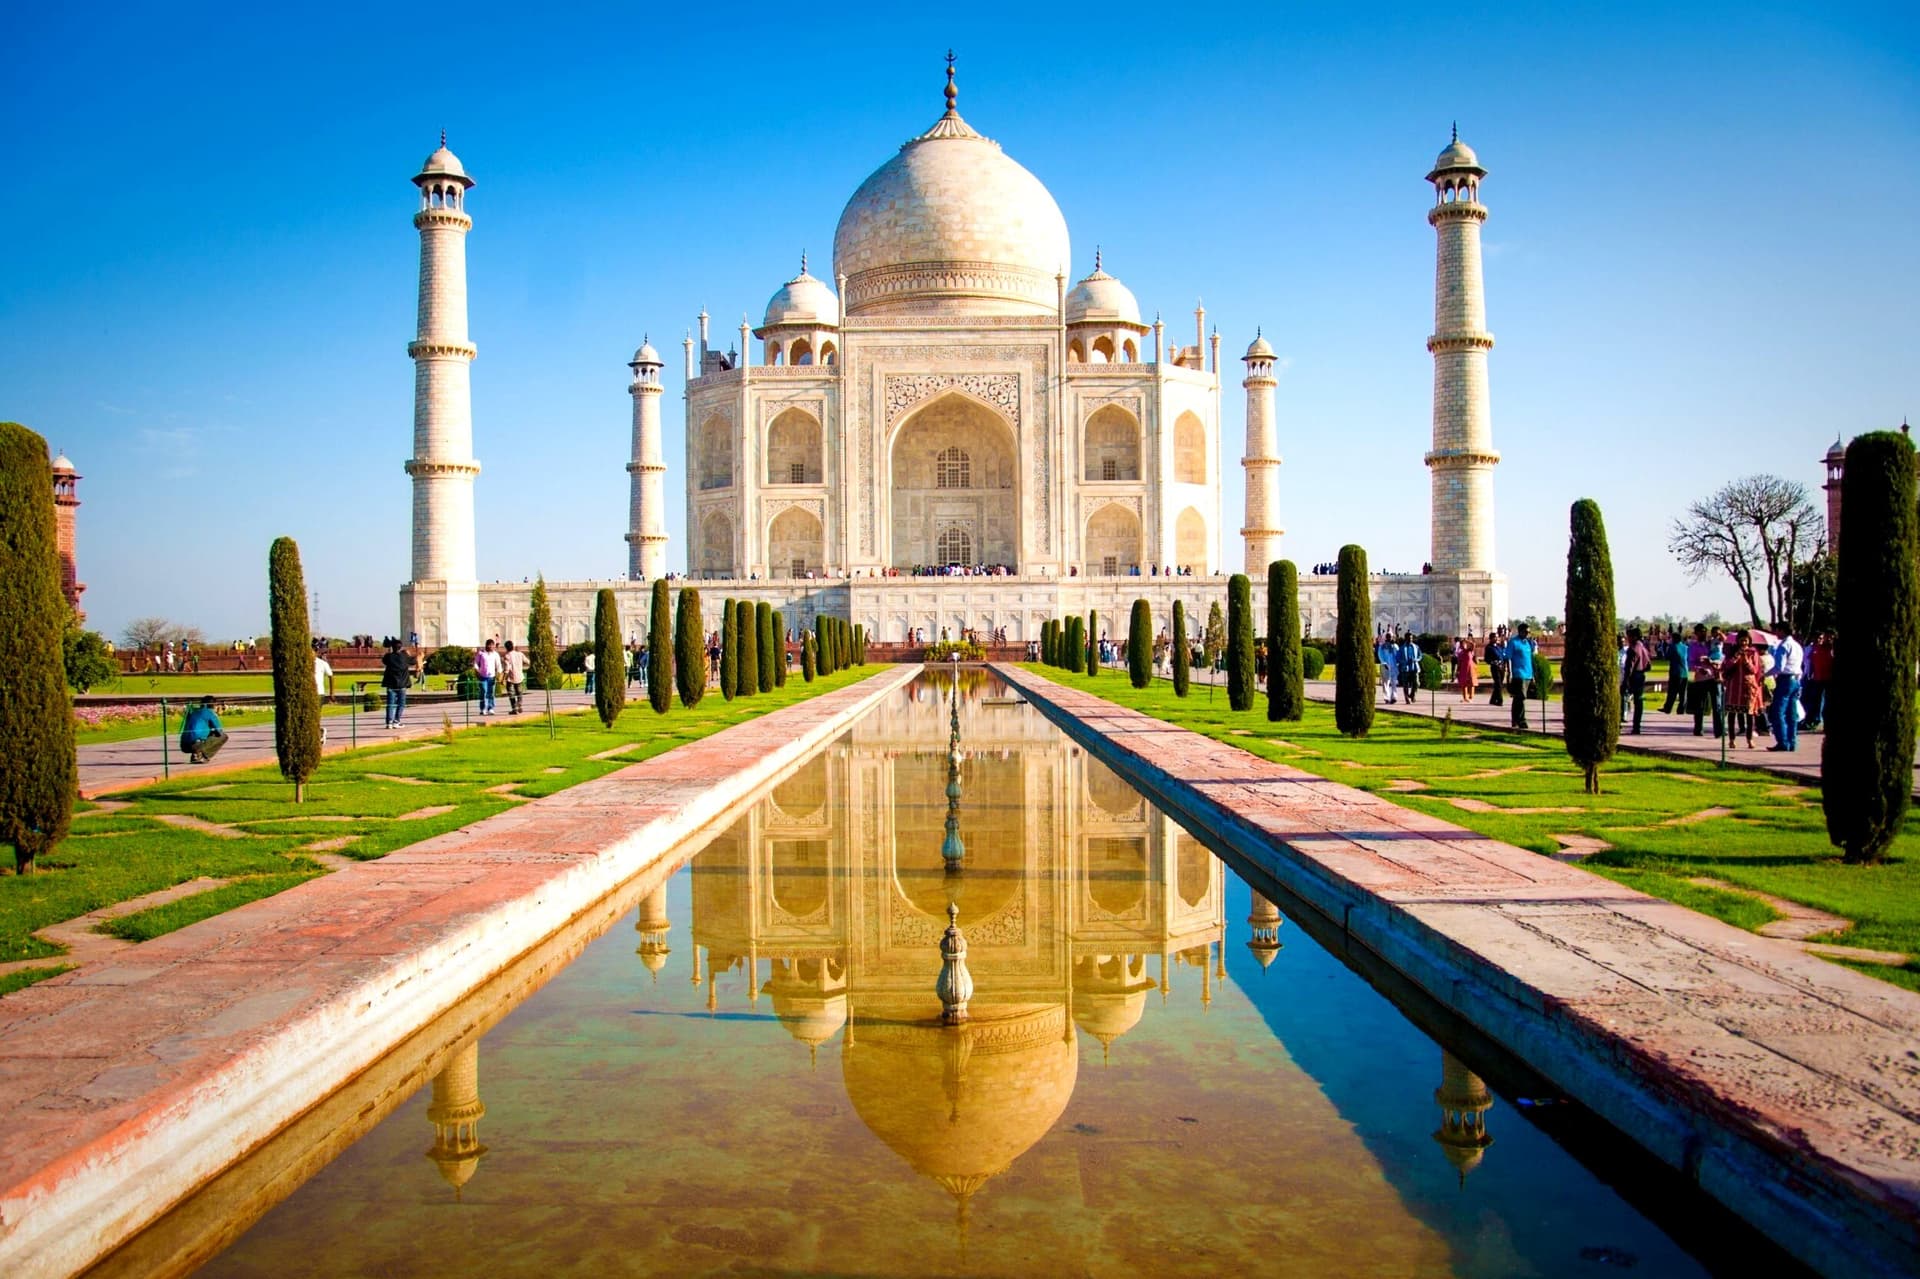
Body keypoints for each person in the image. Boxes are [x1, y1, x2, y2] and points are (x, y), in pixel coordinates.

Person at [1720, 633, 1767, 748]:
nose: (1744, 643)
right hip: (1734, 686)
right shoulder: (1732, 652)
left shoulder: (1753, 653)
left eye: (1746, 641)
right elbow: (1727, 666)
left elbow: (1755, 670)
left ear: (1749, 641)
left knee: (1749, 714)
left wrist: (1746, 660)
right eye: (1741, 640)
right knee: (1732, 713)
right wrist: (1736, 656)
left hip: (1748, 686)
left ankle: (1749, 739)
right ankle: (1731, 740)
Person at [1766, 627, 1804, 752]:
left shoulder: (1783, 646)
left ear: (1782, 631)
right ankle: (1792, 742)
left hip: (1785, 679)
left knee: (1778, 712)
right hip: (1795, 679)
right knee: (1791, 713)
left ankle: (1782, 742)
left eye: (1777, 630)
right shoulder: (1797, 645)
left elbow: (1779, 667)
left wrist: (1765, 674)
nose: (1776, 632)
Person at [1687, 623, 1724, 739]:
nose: (1702, 633)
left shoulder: (1712, 644)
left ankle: (1719, 730)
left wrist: (1712, 661)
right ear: (1696, 633)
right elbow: (1691, 663)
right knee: (1700, 705)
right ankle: (1698, 729)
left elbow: (1720, 654)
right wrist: (1699, 669)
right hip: (1701, 677)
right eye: (1700, 631)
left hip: (1714, 677)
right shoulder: (1693, 646)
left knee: (1717, 704)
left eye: (1704, 631)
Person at [1801, 630, 1833, 731]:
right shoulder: (1814, 649)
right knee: (1816, 700)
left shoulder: (1830, 650)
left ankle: (1820, 720)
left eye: (1822, 638)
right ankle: (1813, 720)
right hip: (1817, 678)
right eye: (1819, 638)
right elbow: (1809, 663)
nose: (1821, 640)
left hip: (1828, 679)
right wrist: (1809, 674)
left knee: (1824, 701)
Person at [1621, 626, 1651, 735]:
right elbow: (1649, 665)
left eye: (1628, 636)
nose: (1627, 638)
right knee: (1638, 702)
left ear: (1634, 637)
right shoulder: (1643, 648)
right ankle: (1636, 726)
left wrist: (1626, 680)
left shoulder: (1633, 649)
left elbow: (1629, 666)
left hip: (1633, 676)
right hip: (1641, 675)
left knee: (1622, 697)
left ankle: (1620, 721)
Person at [1506, 624, 1536, 729]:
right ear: (1521, 631)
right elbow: (1508, 658)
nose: (1528, 634)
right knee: (1521, 697)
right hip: (1518, 673)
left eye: (1529, 632)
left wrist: (1533, 675)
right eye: (1526, 632)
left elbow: (1530, 659)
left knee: (1518, 698)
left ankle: (1515, 720)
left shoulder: (1527, 643)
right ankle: (1521, 720)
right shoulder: (1513, 642)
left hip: (1528, 674)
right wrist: (1509, 673)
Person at [179, 697, 227, 763]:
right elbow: (219, 731)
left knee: (207, 733)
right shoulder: (209, 712)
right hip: (195, 744)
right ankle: (202, 755)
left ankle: (196, 754)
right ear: (213, 705)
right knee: (223, 736)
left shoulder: (193, 711)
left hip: (183, 745)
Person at [380, 637, 411, 728]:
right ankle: (396, 721)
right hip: (402, 685)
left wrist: (390, 650)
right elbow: (413, 661)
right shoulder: (404, 657)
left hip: (391, 685)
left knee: (390, 704)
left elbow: (384, 660)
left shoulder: (388, 657)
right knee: (401, 704)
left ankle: (389, 722)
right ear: (400, 647)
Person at [1662, 628, 1689, 714]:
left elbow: (1667, 657)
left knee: (1672, 691)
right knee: (1683, 692)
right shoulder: (1685, 647)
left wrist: (1664, 646)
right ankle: (1681, 709)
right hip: (1684, 672)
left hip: (1675, 672)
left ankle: (1668, 708)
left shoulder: (1672, 646)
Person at [313, 641, 334, 744]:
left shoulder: (322, 663)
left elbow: (331, 676)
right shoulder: (304, 663)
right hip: (308, 692)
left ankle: (319, 732)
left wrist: (332, 693)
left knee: (315, 715)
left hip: (319, 693)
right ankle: (318, 732)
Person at [474, 638, 500, 716]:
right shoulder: (481, 653)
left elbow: (498, 665)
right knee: (483, 692)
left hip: (492, 676)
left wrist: (499, 674)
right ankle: (483, 708)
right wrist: (477, 671)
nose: (491, 647)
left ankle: (490, 708)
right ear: (487, 645)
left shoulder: (495, 654)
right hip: (482, 676)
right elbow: (475, 663)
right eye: (490, 646)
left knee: (491, 693)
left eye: (493, 646)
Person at [502, 639, 529, 714]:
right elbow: (528, 662)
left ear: (506, 648)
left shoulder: (507, 656)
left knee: (511, 693)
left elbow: (507, 669)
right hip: (519, 676)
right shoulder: (520, 654)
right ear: (513, 646)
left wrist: (503, 679)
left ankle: (515, 709)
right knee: (519, 692)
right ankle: (519, 706)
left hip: (511, 677)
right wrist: (521, 666)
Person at [1486, 628, 1509, 707]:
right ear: (1491, 638)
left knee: (1499, 684)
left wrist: (1505, 665)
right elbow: (1487, 659)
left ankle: (1492, 699)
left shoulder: (1499, 646)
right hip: (1495, 667)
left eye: (1497, 637)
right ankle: (1500, 700)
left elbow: (1503, 655)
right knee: (1498, 684)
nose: (1496, 638)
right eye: (1494, 637)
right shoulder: (1489, 647)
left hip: (1501, 667)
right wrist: (1493, 662)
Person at [1376, 634, 1400, 704]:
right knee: (1385, 683)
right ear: (1386, 638)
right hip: (1385, 666)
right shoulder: (1382, 646)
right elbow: (1380, 655)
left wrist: (1394, 646)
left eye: (1390, 637)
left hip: (1393, 666)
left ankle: (1394, 697)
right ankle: (1386, 697)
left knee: (1394, 682)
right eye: (1388, 637)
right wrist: (1384, 663)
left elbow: (1397, 655)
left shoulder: (1395, 646)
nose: (1389, 638)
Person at [1454, 636, 1477, 701]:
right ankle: (1465, 698)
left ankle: (1471, 696)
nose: (1463, 645)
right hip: (1463, 669)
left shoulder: (1469, 650)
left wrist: (1467, 641)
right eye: (1462, 644)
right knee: (1464, 683)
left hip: (1471, 668)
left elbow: (1473, 645)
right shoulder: (1460, 653)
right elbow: (1459, 663)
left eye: (1464, 644)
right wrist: (1457, 671)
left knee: (1472, 683)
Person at [1399, 634, 1421, 703]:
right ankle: (1406, 698)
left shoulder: (1416, 647)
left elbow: (1420, 655)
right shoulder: (1402, 648)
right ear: (1405, 639)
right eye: (1409, 638)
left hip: (1414, 667)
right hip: (1406, 669)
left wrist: (1416, 659)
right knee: (1405, 684)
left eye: (1411, 638)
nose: (1410, 640)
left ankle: (1412, 694)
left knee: (1417, 683)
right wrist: (1404, 662)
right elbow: (1398, 658)